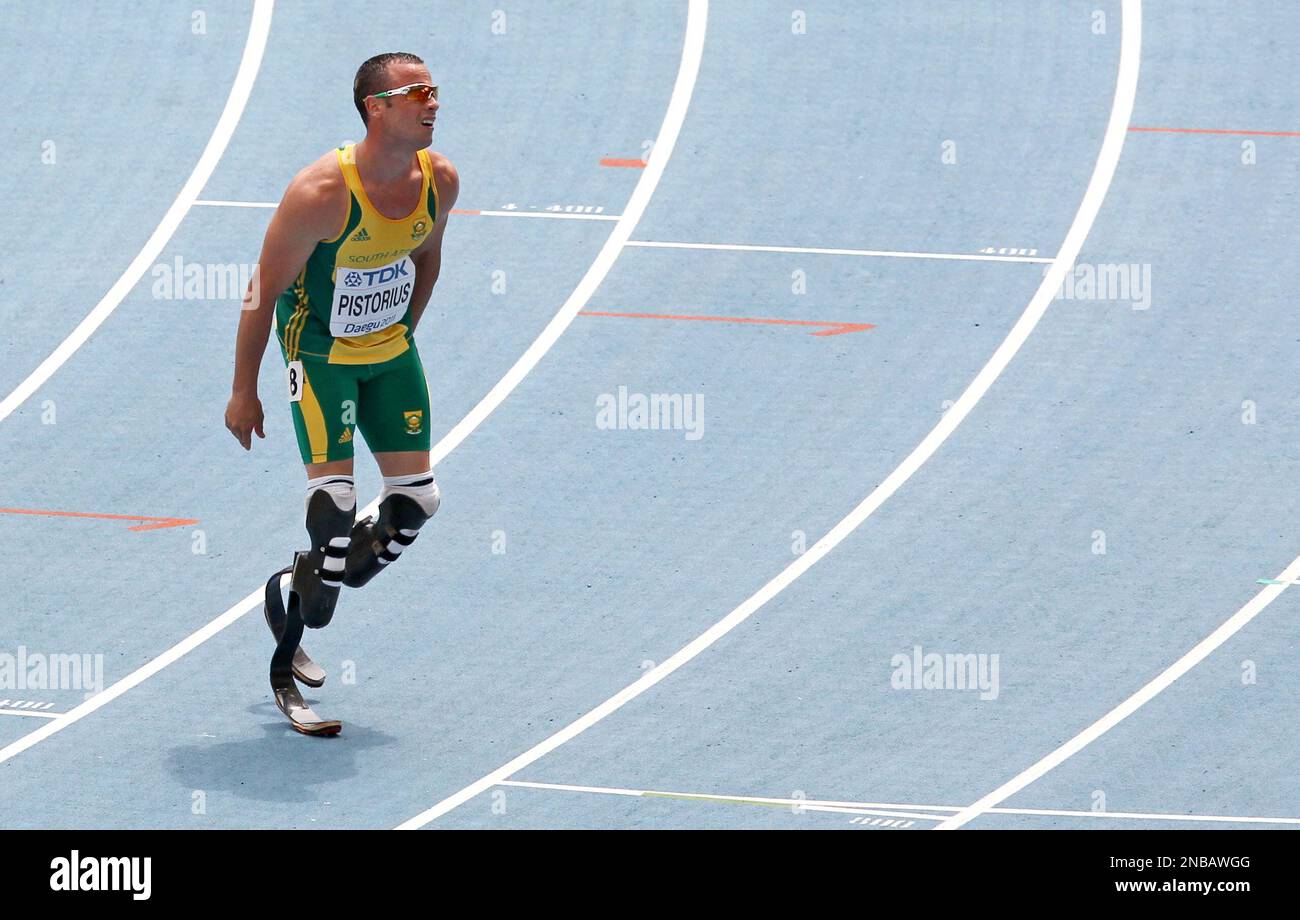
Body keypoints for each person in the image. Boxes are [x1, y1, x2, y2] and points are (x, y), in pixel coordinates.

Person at [224, 52, 459, 733]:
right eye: (417, 92)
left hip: (389, 355)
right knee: (334, 509)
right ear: (375, 107)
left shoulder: (439, 180)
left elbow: (428, 256)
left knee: (416, 505)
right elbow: (261, 291)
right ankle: (290, 654)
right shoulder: (321, 194)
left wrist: (403, 334)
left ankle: (300, 580)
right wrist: (244, 390)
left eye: (435, 90)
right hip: (321, 355)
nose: (432, 102)